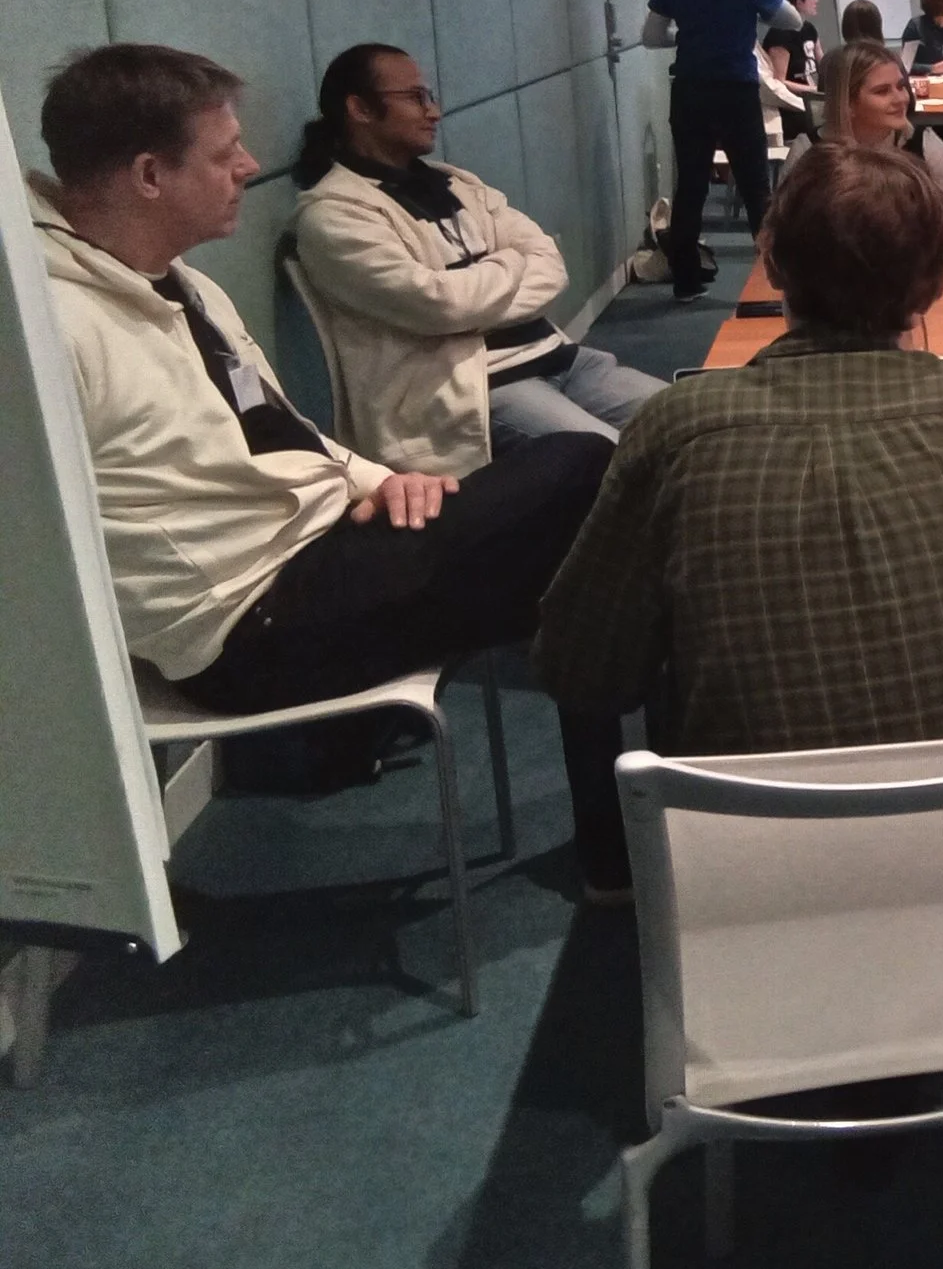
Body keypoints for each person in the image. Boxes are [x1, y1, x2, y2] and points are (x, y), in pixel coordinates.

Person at [34, 45, 622, 878]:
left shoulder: (180, 285)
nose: (250, 165)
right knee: (586, 478)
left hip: (324, 549)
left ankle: (618, 840)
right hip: (250, 624)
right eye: (224, 153)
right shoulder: (55, 329)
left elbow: (283, 430)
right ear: (149, 175)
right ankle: (630, 830)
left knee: (581, 561)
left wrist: (380, 481)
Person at [534, 139, 943, 763]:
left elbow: (581, 669)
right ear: (935, 284)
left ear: (772, 264)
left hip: (745, 824)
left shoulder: (676, 429)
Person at [290, 44, 666, 475]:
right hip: (476, 391)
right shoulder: (334, 215)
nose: (434, 112)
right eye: (416, 98)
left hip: (560, 357)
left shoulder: (456, 183)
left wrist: (474, 287)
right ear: (359, 109)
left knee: (697, 416)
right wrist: (509, 263)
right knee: (626, 466)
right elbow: (441, 304)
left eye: (430, 97)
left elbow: (550, 265)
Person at [639, 0, 804, 301]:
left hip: (690, 92)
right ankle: (773, 280)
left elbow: (651, 37)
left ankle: (685, 282)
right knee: (756, 188)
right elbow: (793, 21)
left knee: (691, 186)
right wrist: (742, 23)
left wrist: (690, 35)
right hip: (736, 93)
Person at [820, 39, 943, 231]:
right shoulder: (809, 150)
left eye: (901, 86)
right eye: (882, 91)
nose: (901, 99)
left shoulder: (925, 144)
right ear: (847, 103)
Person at [762, 0, 823, 147]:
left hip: (813, 101)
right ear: (798, 2)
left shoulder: (809, 29)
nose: (816, 1)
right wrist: (814, 90)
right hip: (793, 107)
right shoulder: (780, 35)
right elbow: (779, 82)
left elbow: (823, 64)